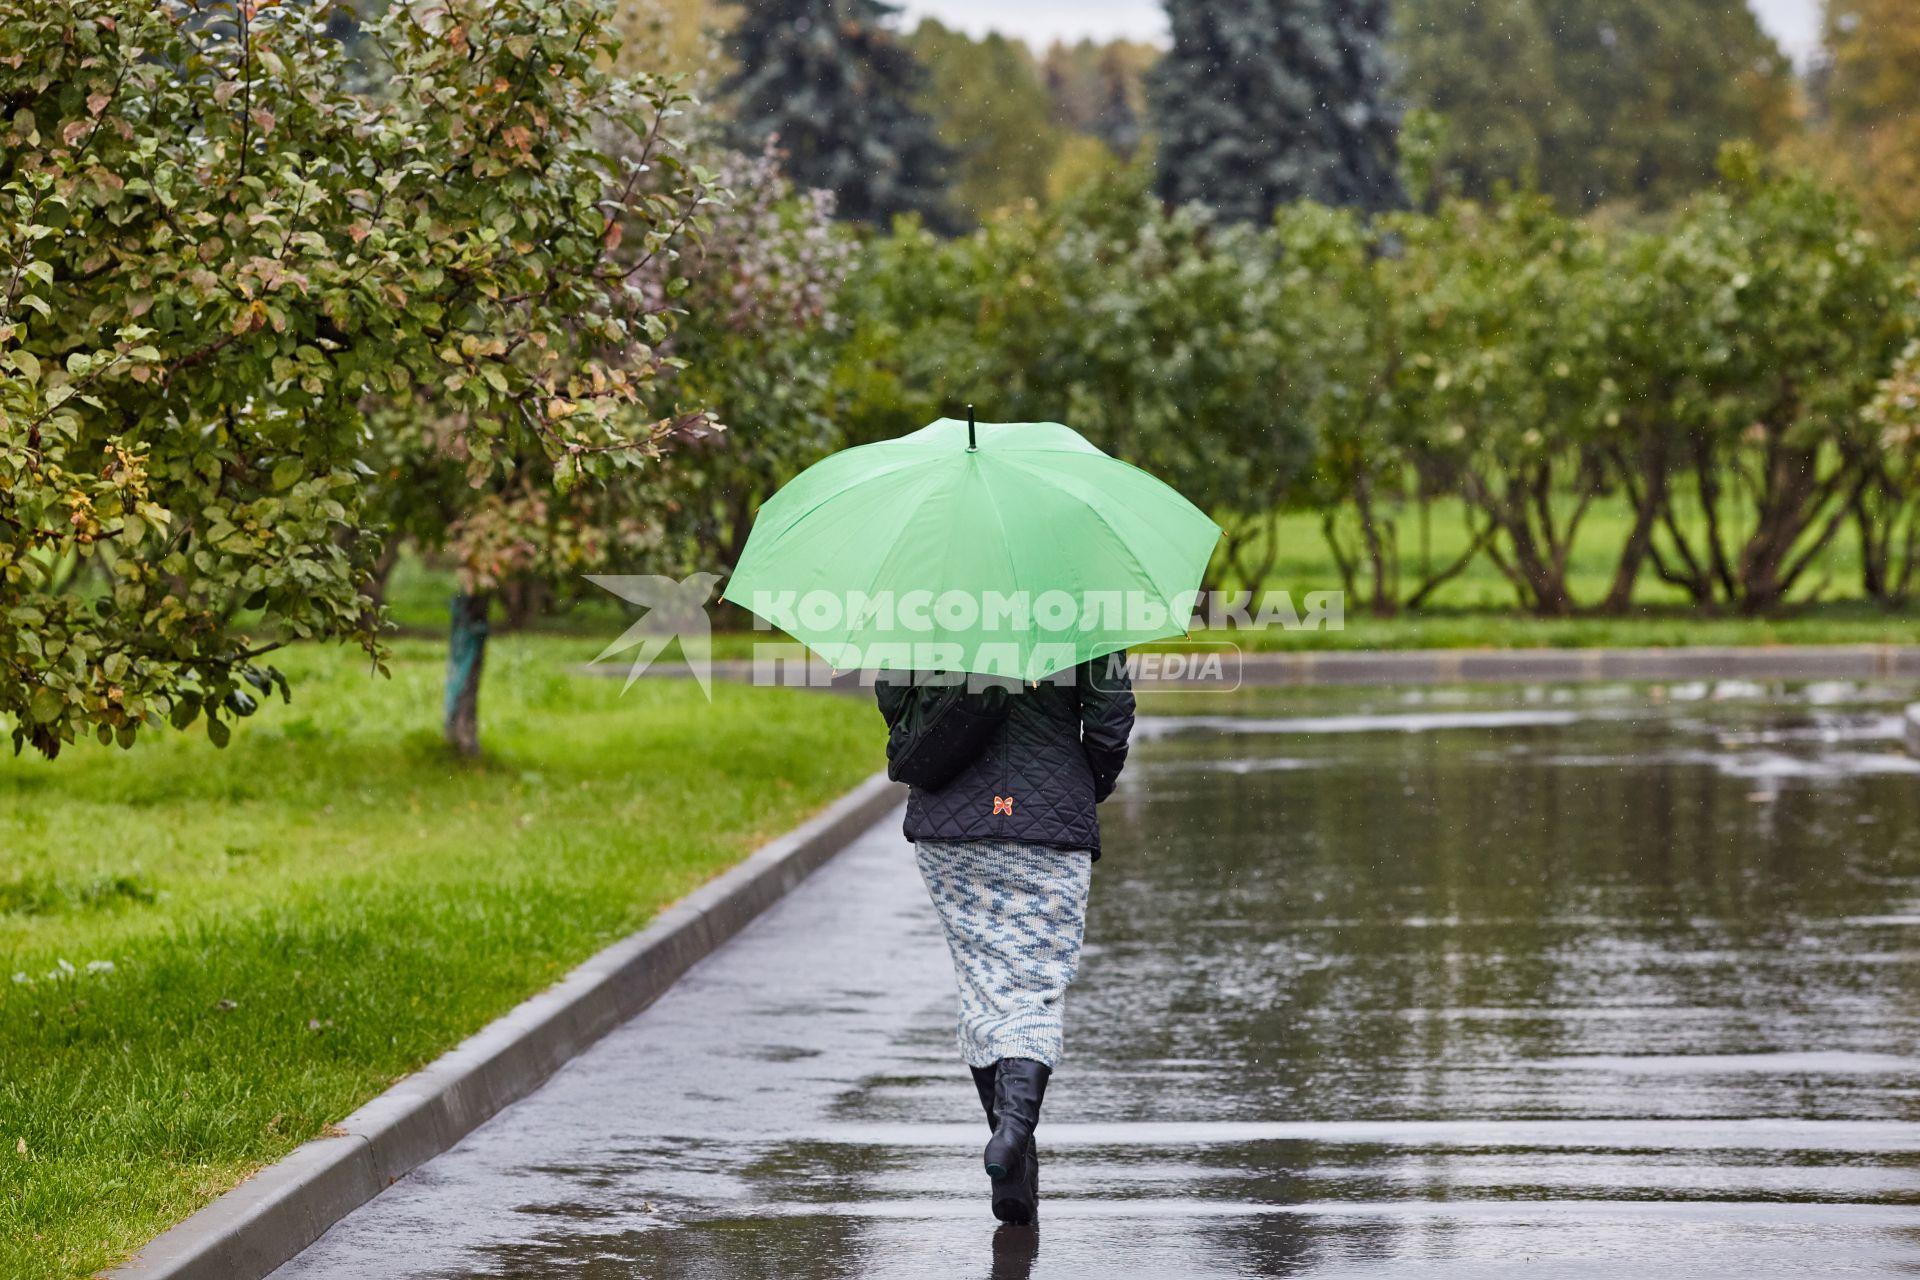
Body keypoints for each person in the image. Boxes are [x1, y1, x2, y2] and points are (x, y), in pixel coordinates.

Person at [875, 654, 1136, 1227]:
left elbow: (897, 702)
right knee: (1032, 988)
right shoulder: (1079, 589)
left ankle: (1013, 1163)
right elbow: (1110, 716)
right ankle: (1013, 1130)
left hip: (950, 825)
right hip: (1049, 826)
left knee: (984, 983)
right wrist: (1079, 783)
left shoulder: (928, 590)